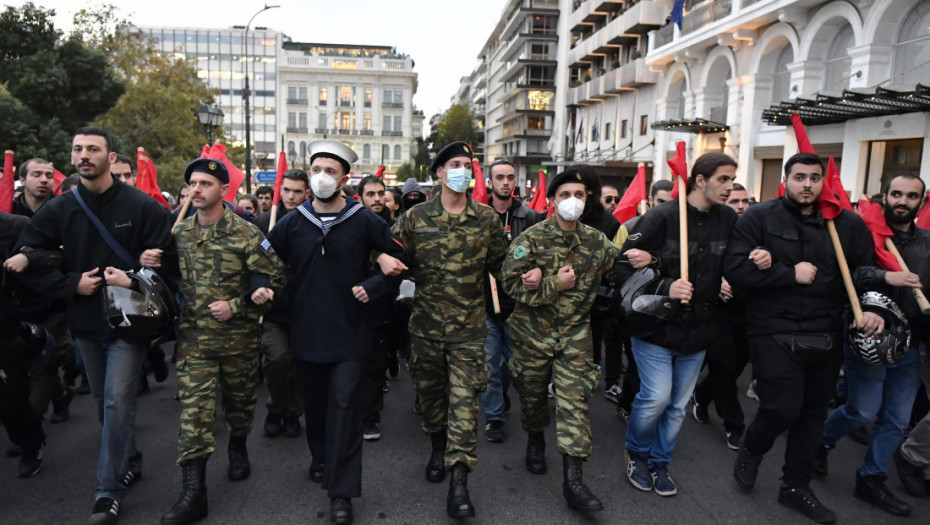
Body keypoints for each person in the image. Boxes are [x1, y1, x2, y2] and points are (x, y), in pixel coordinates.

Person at [14, 127, 178, 525]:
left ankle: (108, 492)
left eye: (93, 149)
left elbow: (171, 266)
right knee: (107, 404)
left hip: (130, 322)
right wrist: (73, 284)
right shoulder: (60, 208)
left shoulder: (142, 206)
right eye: (77, 149)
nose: (84, 155)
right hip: (85, 322)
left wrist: (140, 271)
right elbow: (31, 256)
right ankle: (130, 459)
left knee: (117, 400)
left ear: (110, 156)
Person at [727, 152, 885, 524]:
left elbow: (865, 273)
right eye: (800, 177)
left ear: (825, 181)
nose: (808, 185)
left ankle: (795, 487)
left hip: (827, 331)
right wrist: (787, 274)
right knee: (781, 408)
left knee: (813, 415)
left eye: (815, 178)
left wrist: (873, 307)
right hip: (773, 329)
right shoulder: (759, 217)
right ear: (787, 180)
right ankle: (753, 447)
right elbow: (735, 271)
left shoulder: (847, 223)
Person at [266, 140, 406, 524]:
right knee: (317, 405)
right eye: (316, 170)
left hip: (351, 334)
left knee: (346, 406)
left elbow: (401, 259)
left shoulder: (366, 220)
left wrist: (375, 286)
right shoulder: (292, 223)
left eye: (330, 171)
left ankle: (342, 492)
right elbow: (262, 261)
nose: (322, 177)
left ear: (345, 178)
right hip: (307, 332)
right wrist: (259, 287)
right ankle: (321, 458)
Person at [154, 158, 285, 525]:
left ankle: (239, 445)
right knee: (194, 414)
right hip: (194, 342)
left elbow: (273, 283)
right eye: (192, 183)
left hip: (239, 341)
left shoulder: (246, 234)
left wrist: (241, 302)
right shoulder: (178, 234)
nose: (196, 190)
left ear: (222, 190)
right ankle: (194, 493)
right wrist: (150, 261)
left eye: (205, 184)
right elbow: (163, 278)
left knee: (240, 405)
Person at [392, 141, 508, 517]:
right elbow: (386, 250)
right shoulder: (415, 218)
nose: (463, 170)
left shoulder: (487, 219)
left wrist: (533, 279)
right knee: (432, 399)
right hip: (424, 329)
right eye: (455, 164)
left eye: (468, 165)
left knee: (464, 405)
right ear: (439, 173)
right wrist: (381, 258)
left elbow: (504, 268)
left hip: (470, 332)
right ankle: (436, 446)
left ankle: (459, 482)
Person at [619, 152, 739, 497]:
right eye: (723, 180)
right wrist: (664, 284)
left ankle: (660, 463)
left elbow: (735, 258)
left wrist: (755, 260)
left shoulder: (729, 219)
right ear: (699, 180)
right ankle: (637, 454)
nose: (730, 188)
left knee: (676, 407)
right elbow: (622, 263)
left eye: (732, 180)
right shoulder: (661, 216)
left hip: (699, 330)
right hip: (656, 327)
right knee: (656, 397)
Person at [503, 168, 618, 512]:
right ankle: (535, 439)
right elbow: (508, 285)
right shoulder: (531, 240)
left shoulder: (597, 242)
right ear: (552, 200)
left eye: (579, 195)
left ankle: (574, 482)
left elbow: (622, 264)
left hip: (575, 336)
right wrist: (552, 283)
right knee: (533, 396)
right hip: (532, 335)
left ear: (588, 201)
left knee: (575, 403)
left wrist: (651, 258)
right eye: (565, 195)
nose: (572, 201)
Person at [816, 173, 928, 516]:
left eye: (911, 196)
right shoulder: (866, 232)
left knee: (896, 419)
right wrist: (886, 277)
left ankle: (871, 478)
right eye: (896, 194)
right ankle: (819, 441)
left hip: (910, 347)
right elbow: (849, 274)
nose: (902, 201)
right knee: (862, 410)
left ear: (922, 203)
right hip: (870, 340)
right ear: (885, 197)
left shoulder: (928, 242)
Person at [481, 159, 541, 443]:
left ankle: (501, 394)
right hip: (485, 307)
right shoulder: (478, 216)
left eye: (510, 177)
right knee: (490, 364)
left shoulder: (530, 217)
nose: (506, 182)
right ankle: (494, 418)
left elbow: (544, 254)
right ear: (489, 183)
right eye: (500, 178)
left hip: (519, 307)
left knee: (511, 365)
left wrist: (539, 270)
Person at [690, 181, 752, 449]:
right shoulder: (713, 230)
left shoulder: (757, 231)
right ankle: (734, 424)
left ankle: (702, 396)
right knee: (724, 367)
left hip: (748, 312)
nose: (739, 206)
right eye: (733, 202)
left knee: (737, 365)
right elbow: (695, 262)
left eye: (744, 201)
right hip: (716, 312)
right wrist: (718, 281)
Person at [613, 179, 675, 421]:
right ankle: (628, 404)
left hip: (673, 307)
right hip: (640, 307)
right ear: (650, 201)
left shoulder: (683, 231)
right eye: (661, 202)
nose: (666, 208)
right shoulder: (631, 227)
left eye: (671, 203)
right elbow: (620, 267)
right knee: (637, 365)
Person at [255, 169, 310, 439]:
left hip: (306, 309)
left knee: (299, 364)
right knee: (277, 359)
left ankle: (292, 413)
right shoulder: (263, 223)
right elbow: (252, 263)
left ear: (307, 194)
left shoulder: (315, 222)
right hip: (273, 309)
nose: (291, 196)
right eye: (286, 190)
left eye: (297, 191)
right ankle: (276, 408)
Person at [1, 212, 49, 479]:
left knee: (10, 399)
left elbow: (51, 251)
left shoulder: (12, 226)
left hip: (5, 327)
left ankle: (31, 444)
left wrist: (27, 257)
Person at [355, 174, 398, 441]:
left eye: (380, 193)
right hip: (352, 307)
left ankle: (370, 418)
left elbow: (401, 263)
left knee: (374, 366)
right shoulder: (351, 224)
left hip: (382, 308)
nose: (377, 199)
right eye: (370, 194)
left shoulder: (395, 227)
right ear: (360, 198)